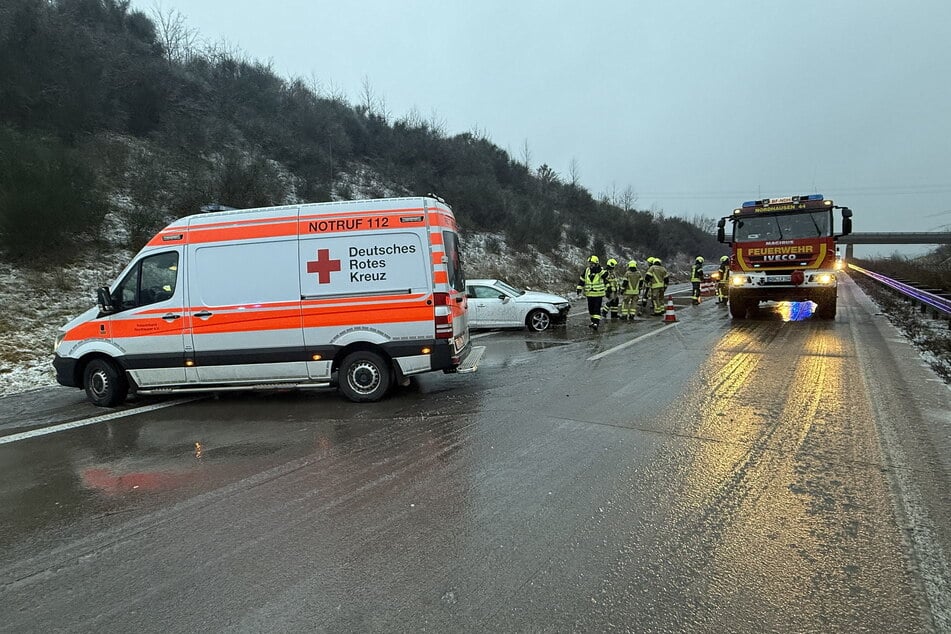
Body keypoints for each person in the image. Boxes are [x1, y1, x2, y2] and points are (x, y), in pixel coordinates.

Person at [577, 255, 607, 329]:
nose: (591, 265)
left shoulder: (601, 270)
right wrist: (579, 288)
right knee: (591, 308)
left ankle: (596, 323)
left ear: (596, 264)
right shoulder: (587, 270)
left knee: (597, 308)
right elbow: (582, 279)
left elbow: (605, 275)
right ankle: (593, 321)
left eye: (592, 264)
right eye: (590, 264)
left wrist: (599, 270)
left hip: (598, 294)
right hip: (589, 294)